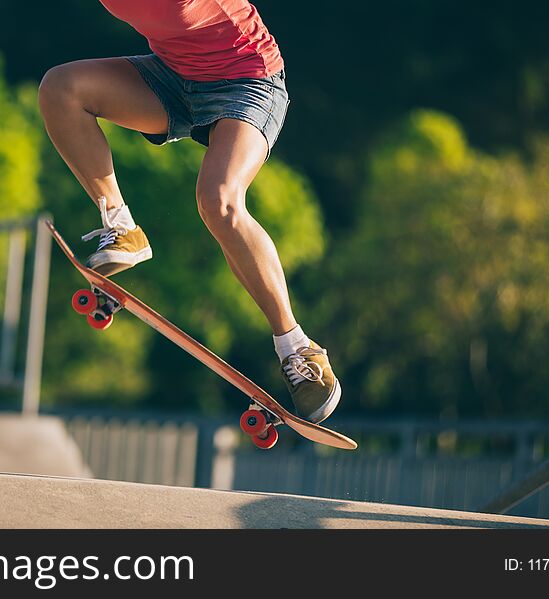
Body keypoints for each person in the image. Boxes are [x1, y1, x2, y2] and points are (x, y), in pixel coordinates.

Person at [38, 0, 341, 424]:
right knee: (61, 87)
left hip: (249, 81)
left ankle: (297, 346)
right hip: (173, 79)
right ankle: (121, 225)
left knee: (219, 201)